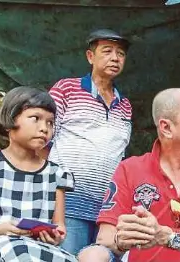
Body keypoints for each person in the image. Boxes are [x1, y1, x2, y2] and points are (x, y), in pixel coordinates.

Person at [77, 88, 180, 262]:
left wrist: (166, 237)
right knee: (92, 255)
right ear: (166, 128)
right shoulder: (129, 169)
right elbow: (105, 237)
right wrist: (123, 240)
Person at [42, 28, 133, 254]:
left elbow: (121, 155)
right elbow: (43, 141)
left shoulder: (126, 105)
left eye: (120, 54)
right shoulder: (66, 89)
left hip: (107, 209)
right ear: (90, 56)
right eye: (107, 51)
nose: (115, 58)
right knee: (66, 258)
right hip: (68, 203)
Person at [0, 87, 76, 262]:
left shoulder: (57, 174)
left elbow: (59, 227)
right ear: (10, 119)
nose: (44, 128)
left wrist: (55, 236)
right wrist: (0, 229)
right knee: (17, 249)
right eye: (35, 119)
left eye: (50, 122)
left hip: (34, 248)